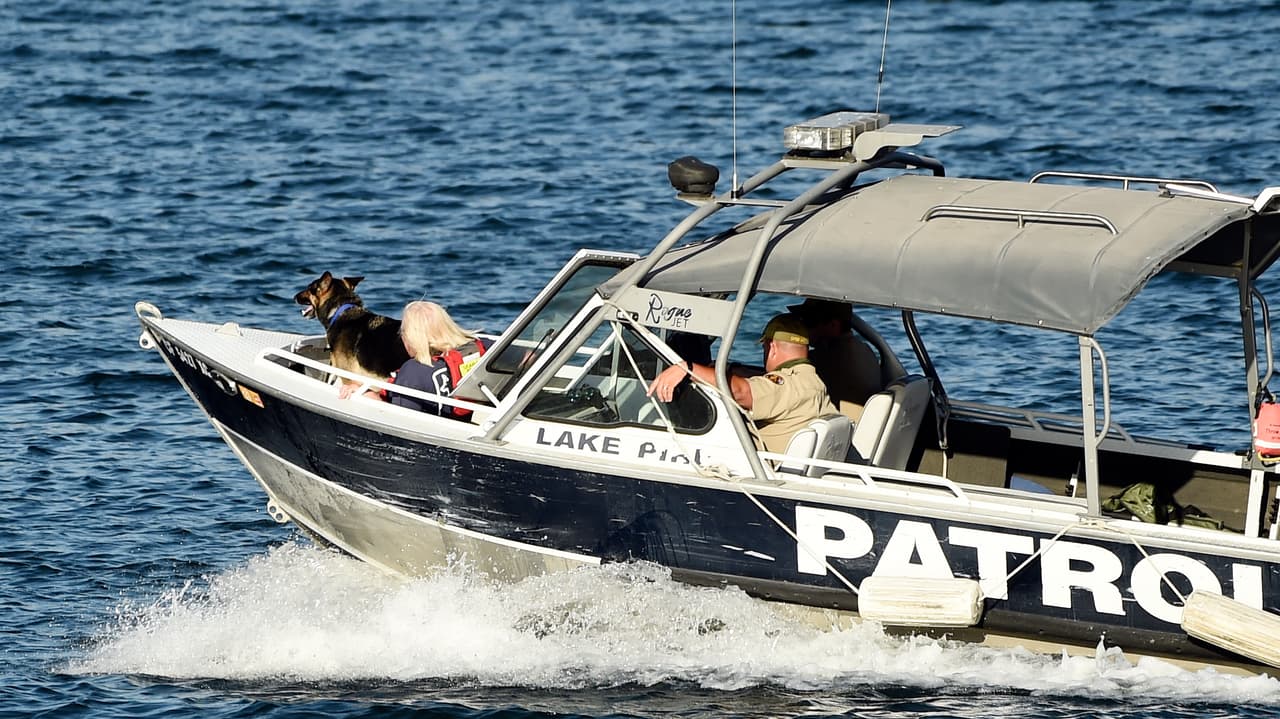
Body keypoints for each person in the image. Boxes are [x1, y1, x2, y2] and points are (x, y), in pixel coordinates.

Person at [647, 313, 836, 454]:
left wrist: (686, 368)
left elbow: (741, 392)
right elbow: (761, 381)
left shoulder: (787, 385)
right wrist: (728, 369)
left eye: (764, 347)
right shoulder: (811, 379)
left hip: (761, 471)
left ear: (772, 348)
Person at [386, 300, 491, 420]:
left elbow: (401, 421)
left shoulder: (413, 372)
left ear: (411, 337)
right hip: (477, 420)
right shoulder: (485, 347)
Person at [788, 298, 881, 423]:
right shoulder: (865, 350)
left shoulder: (825, 360)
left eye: (809, 321)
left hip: (842, 432)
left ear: (833, 325)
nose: (804, 328)